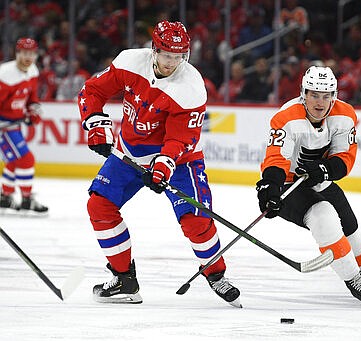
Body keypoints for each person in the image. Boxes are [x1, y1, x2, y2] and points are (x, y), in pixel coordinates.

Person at [77, 21, 241, 307]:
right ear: (154, 49)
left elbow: (182, 137)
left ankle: (215, 273)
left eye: (179, 56)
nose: (172, 62)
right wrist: (95, 121)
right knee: (99, 205)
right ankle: (124, 278)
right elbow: (92, 91)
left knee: (196, 221)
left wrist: (165, 164)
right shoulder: (129, 61)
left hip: (180, 160)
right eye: (167, 55)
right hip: (131, 152)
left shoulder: (191, 87)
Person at [256, 66, 361, 308]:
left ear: (334, 95)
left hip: (320, 179)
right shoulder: (286, 118)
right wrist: (270, 186)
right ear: (303, 93)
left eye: (326, 95)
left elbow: (345, 157)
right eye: (314, 94)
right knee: (324, 217)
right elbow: (276, 158)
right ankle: (354, 279)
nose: (320, 102)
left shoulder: (345, 115)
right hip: (289, 183)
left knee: (350, 225)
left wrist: (324, 169)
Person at [0, 37, 48, 215]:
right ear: (17, 53)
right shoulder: (5, 75)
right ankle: (27, 200)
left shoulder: (32, 70)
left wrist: (33, 109)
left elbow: (31, 97)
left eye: (31, 53)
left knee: (14, 160)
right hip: (4, 126)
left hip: (13, 125)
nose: (28, 57)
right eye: (24, 53)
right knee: (26, 159)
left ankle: (5, 197)